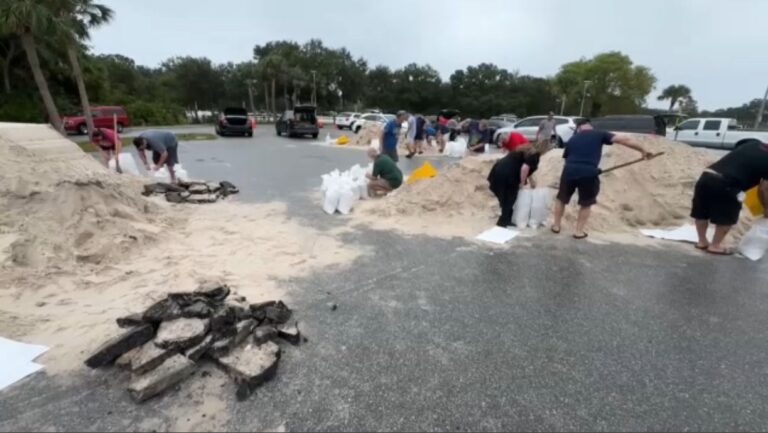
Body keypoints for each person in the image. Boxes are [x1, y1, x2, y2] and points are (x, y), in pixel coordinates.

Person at [551, 119, 652, 239]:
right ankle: (578, 232)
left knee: (561, 198)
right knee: (586, 202)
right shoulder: (600, 133)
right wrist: (643, 150)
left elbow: (567, 158)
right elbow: (624, 139)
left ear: (578, 128)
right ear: (590, 127)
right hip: (588, 173)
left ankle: (556, 226)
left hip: (569, 171)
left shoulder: (573, 139)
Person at [690, 139, 768, 255]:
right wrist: (766, 207)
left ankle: (702, 241)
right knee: (726, 216)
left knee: (701, 212)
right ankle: (715, 246)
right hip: (728, 183)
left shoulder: (753, 143)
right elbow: (763, 188)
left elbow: (737, 146)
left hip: (706, 176)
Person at [487, 144, 542, 227]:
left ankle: (507, 218)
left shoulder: (525, 150)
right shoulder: (534, 155)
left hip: (499, 169)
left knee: (505, 196)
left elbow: (526, 167)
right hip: (508, 174)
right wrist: (522, 183)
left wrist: (531, 180)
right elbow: (525, 168)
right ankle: (502, 222)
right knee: (510, 197)